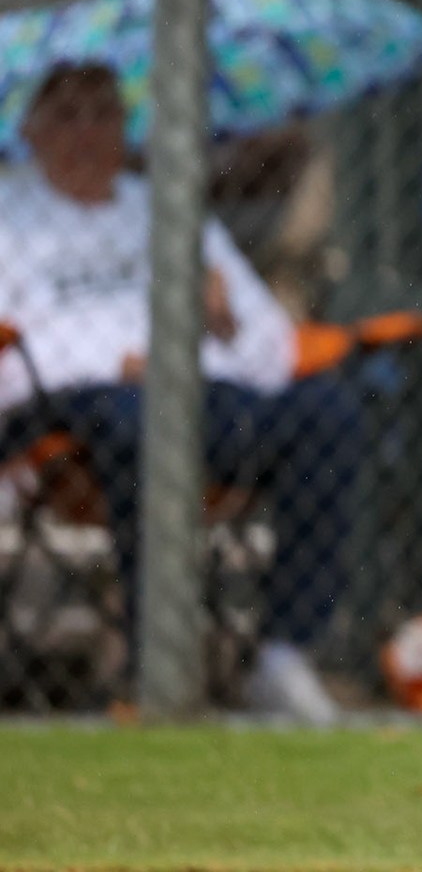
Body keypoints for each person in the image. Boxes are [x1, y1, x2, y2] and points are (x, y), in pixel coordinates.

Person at [0, 63, 361, 724]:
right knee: (138, 419)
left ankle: (283, 655)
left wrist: (221, 322)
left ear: (125, 127)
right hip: (72, 413)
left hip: (202, 394)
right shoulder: (10, 215)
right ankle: (153, 658)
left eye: (102, 113)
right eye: (67, 115)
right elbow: (9, 350)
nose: (86, 131)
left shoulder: (165, 209)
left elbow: (273, 351)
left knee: (325, 414)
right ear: (30, 131)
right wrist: (113, 362)